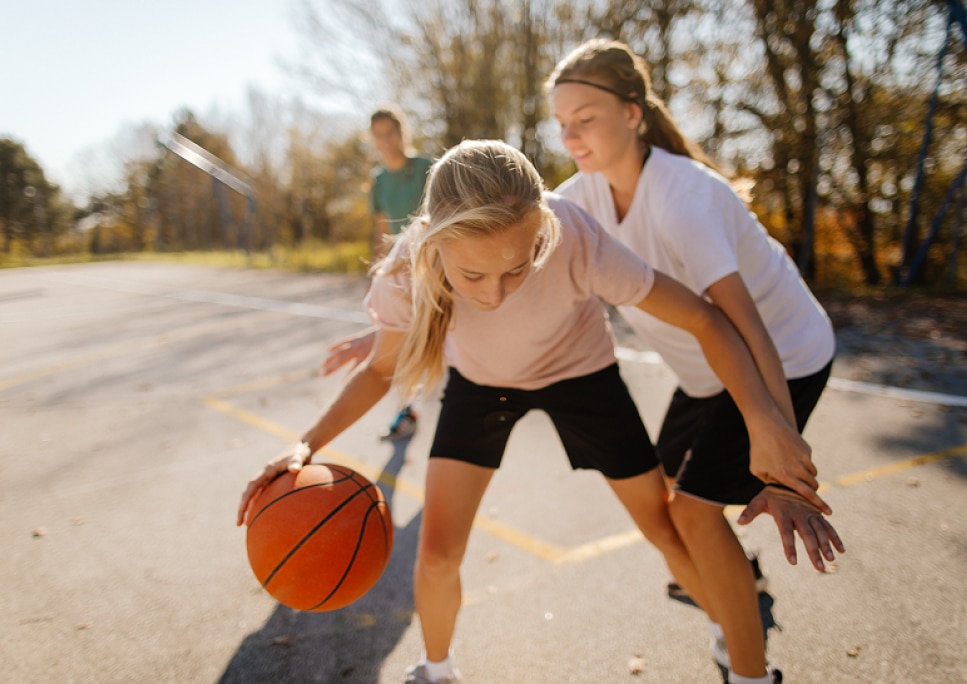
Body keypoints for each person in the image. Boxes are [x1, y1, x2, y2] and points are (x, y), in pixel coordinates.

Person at [238, 140, 837, 684]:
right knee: (439, 550)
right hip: (482, 387)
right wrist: (307, 444)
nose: (495, 294)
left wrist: (765, 422)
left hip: (581, 375)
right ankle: (436, 671)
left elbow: (706, 318)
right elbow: (379, 370)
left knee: (664, 526)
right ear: (435, 239)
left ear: (542, 233)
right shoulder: (407, 269)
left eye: (517, 268)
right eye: (473, 274)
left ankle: (733, 645)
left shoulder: (573, 235)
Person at [547, 38, 843, 684]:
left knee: (692, 513)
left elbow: (747, 327)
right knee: (668, 509)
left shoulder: (684, 199)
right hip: (708, 371)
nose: (571, 136)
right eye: (562, 123)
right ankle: (734, 593)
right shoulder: (577, 202)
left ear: (633, 113)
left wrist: (778, 446)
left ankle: (751, 675)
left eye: (586, 119)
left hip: (784, 355)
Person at [325, 106, 432, 441]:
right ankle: (406, 410)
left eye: (391, 133)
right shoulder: (379, 181)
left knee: (434, 340)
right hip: (400, 273)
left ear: (402, 132)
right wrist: (379, 270)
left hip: (431, 265)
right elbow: (382, 229)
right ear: (372, 141)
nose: (387, 141)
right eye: (379, 136)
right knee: (395, 343)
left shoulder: (426, 168)